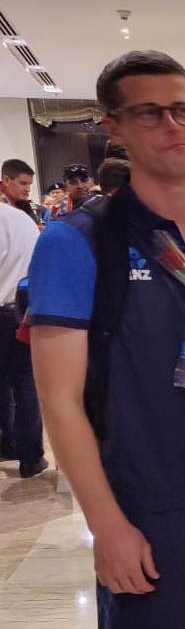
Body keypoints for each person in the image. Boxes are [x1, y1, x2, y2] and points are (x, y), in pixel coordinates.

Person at [28, 50, 185, 629]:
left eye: (183, 110)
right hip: (145, 505)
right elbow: (60, 402)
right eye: (149, 113)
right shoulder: (77, 241)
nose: (172, 126)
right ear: (113, 127)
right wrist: (106, 525)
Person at [0, 199, 46, 477]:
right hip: (23, 308)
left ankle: (9, 444)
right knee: (25, 383)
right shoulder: (22, 219)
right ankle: (30, 458)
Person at [1, 159, 44, 226]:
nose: (28, 189)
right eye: (23, 183)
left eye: (29, 184)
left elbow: (40, 224)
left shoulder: (29, 205)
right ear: (6, 180)